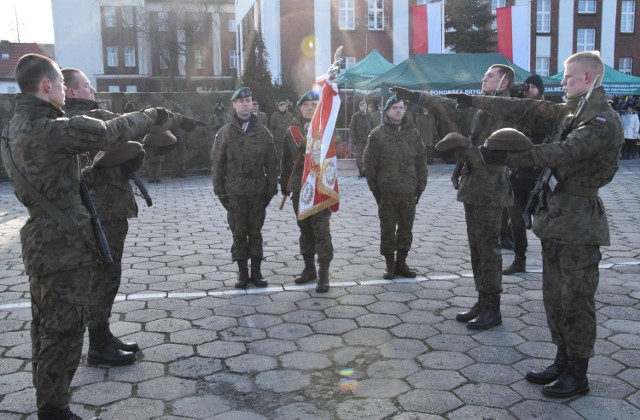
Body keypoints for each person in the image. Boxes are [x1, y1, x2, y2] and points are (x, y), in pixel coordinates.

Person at [0, 53, 181, 420]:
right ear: (46, 85)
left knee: (46, 327)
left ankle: (50, 403)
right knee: (64, 330)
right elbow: (107, 134)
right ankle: (54, 410)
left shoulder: (17, 125)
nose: (67, 91)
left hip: (45, 237)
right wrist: (151, 116)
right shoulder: (46, 129)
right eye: (62, 84)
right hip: (60, 242)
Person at [473, 51, 623, 398]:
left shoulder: (602, 120)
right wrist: (475, 99)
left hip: (580, 221)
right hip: (556, 216)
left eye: (568, 76)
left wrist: (508, 156)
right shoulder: (572, 110)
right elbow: (525, 109)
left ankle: (578, 373)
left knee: (577, 299)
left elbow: (563, 152)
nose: (562, 81)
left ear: (588, 78)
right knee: (554, 297)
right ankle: (561, 360)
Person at [392, 63, 516, 331]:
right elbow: (448, 108)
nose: (484, 79)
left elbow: (497, 153)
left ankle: (493, 307)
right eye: (483, 75)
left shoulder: (508, 109)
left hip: (491, 187)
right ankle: (482, 300)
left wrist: (464, 154)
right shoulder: (481, 107)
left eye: (490, 76)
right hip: (474, 184)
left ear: (504, 82)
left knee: (488, 248)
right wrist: (415, 96)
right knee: (475, 247)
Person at [62, 68, 139, 367]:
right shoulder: (84, 121)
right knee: (104, 276)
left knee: (109, 275)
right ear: (71, 91)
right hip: (100, 212)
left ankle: (102, 335)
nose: (91, 89)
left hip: (108, 209)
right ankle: (97, 344)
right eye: (85, 85)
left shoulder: (86, 118)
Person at [212, 87, 278, 289]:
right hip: (235, 193)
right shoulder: (225, 133)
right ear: (234, 105)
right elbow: (217, 165)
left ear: (252, 103)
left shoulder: (263, 132)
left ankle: (256, 273)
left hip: (257, 191)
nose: (245, 104)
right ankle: (242, 274)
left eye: (248, 100)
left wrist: (270, 190)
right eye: (241, 101)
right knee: (239, 233)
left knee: (256, 232)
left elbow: (272, 164)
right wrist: (222, 194)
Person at [363, 95, 427, 279]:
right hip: (387, 191)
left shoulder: (413, 133)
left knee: (406, 228)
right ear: (387, 111)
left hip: (409, 190)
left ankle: (402, 262)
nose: (399, 110)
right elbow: (369, 164)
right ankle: (390, 264)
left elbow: (421, 160)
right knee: (388, 228)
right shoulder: (377, 134)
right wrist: (376, 190)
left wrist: (420, 185)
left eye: (401, 107)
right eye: (395, 108)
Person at [280, 91, 334, 293]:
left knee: (322, 231)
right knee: (305, 230)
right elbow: (287, 159)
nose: (310, 108)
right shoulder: (293, 130)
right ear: (300, 108)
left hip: (320, 188)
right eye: (307, 105)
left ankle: (324, 275)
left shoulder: (326, 128)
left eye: (314, 104)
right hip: (300, 189)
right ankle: (309, 268)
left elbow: (330, 152)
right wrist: (284, 185)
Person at [502, 74, 547, 274]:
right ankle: (520, 259)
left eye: (532, 88)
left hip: (538, 175)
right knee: (516, 220)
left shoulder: (547, 111)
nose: (528, 91)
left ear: (540, 90)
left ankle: (551, 260)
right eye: (526, 87)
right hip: (517, 173)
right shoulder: (520, 108)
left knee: (545, 220)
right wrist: (514, 96)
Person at [349, 99, 374, 177]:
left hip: (368, 139)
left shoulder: (369, 115)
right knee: (359, 156)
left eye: (365, 106)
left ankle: (367, 171)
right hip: (359, 139)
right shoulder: (356, 116)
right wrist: (353, 138)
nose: (364, 107)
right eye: (362, 106)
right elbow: (352, 127)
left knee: (368, 155)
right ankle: (361, 171)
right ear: (359, 107)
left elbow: (373, 125)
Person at [269, 99, 295, 169]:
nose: (282, 107)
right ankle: (278, 170)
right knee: (278, 156)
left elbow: (293, 127)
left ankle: (287, 170)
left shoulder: (290, 115)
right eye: (280, 106)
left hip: (288, 140)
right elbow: (272, 127)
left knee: (288, 155)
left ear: (286, 107)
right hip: (278, 140)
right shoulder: (274, 116)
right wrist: (272, 137)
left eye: (283, 106)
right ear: (278, 107)